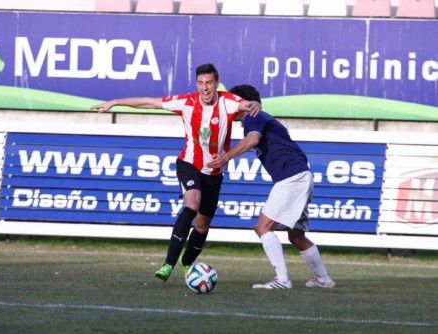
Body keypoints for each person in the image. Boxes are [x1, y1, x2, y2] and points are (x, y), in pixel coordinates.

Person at [91, 64, 260, 282]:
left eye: (209, 83)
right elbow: (149, 102)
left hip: (214, 173)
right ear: (196, 84)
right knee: (192, 203)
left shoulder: (228, 101)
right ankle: (168, 264)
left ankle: (187, 262)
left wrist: (253, 103)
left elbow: (247, 104)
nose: (205, 88)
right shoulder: (187, 102)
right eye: (200, 83)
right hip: (188, 163)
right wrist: (115, 102)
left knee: (202, 224)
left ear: (216, 84)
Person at [208, 84, 336, 290]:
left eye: (233, 101)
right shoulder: (258, 116)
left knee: (262, 227)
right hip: (301, 175)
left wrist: (226, 157)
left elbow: (252, 141)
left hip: (292, 177)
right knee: (296, 235)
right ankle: (323, 279)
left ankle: (282, 280)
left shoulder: (253, 115)